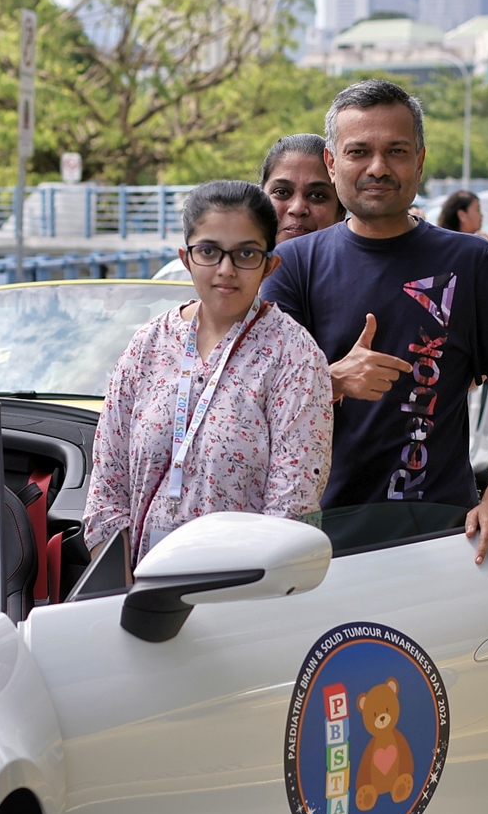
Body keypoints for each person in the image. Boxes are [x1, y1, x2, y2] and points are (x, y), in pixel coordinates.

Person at [260, 79, 488, 814]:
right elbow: (257, 397)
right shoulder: (296, 264)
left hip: (439, 543)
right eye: (359, 151)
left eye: (396, 149)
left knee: (457, 737)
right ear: (335, 161)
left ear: (420, 161)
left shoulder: (470, 263)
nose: (377, 165)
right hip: (321, 545)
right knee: (329, 743)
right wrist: (330, 380)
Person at [84, 180, 334, 563]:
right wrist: (123, 585)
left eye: (246, 254)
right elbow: (107, 486)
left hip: (241, 594)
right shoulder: (148, 346)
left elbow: (293, 506)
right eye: (209, 251)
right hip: (138, 590)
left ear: (270, 263)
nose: (226, 269)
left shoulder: (295, 357)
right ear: (186, 258)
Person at [154, 134, 347, 280]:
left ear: (341, 210)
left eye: (317, 196)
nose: (297, 208)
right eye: (282, 192)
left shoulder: (354, 281)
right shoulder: (181, 276)